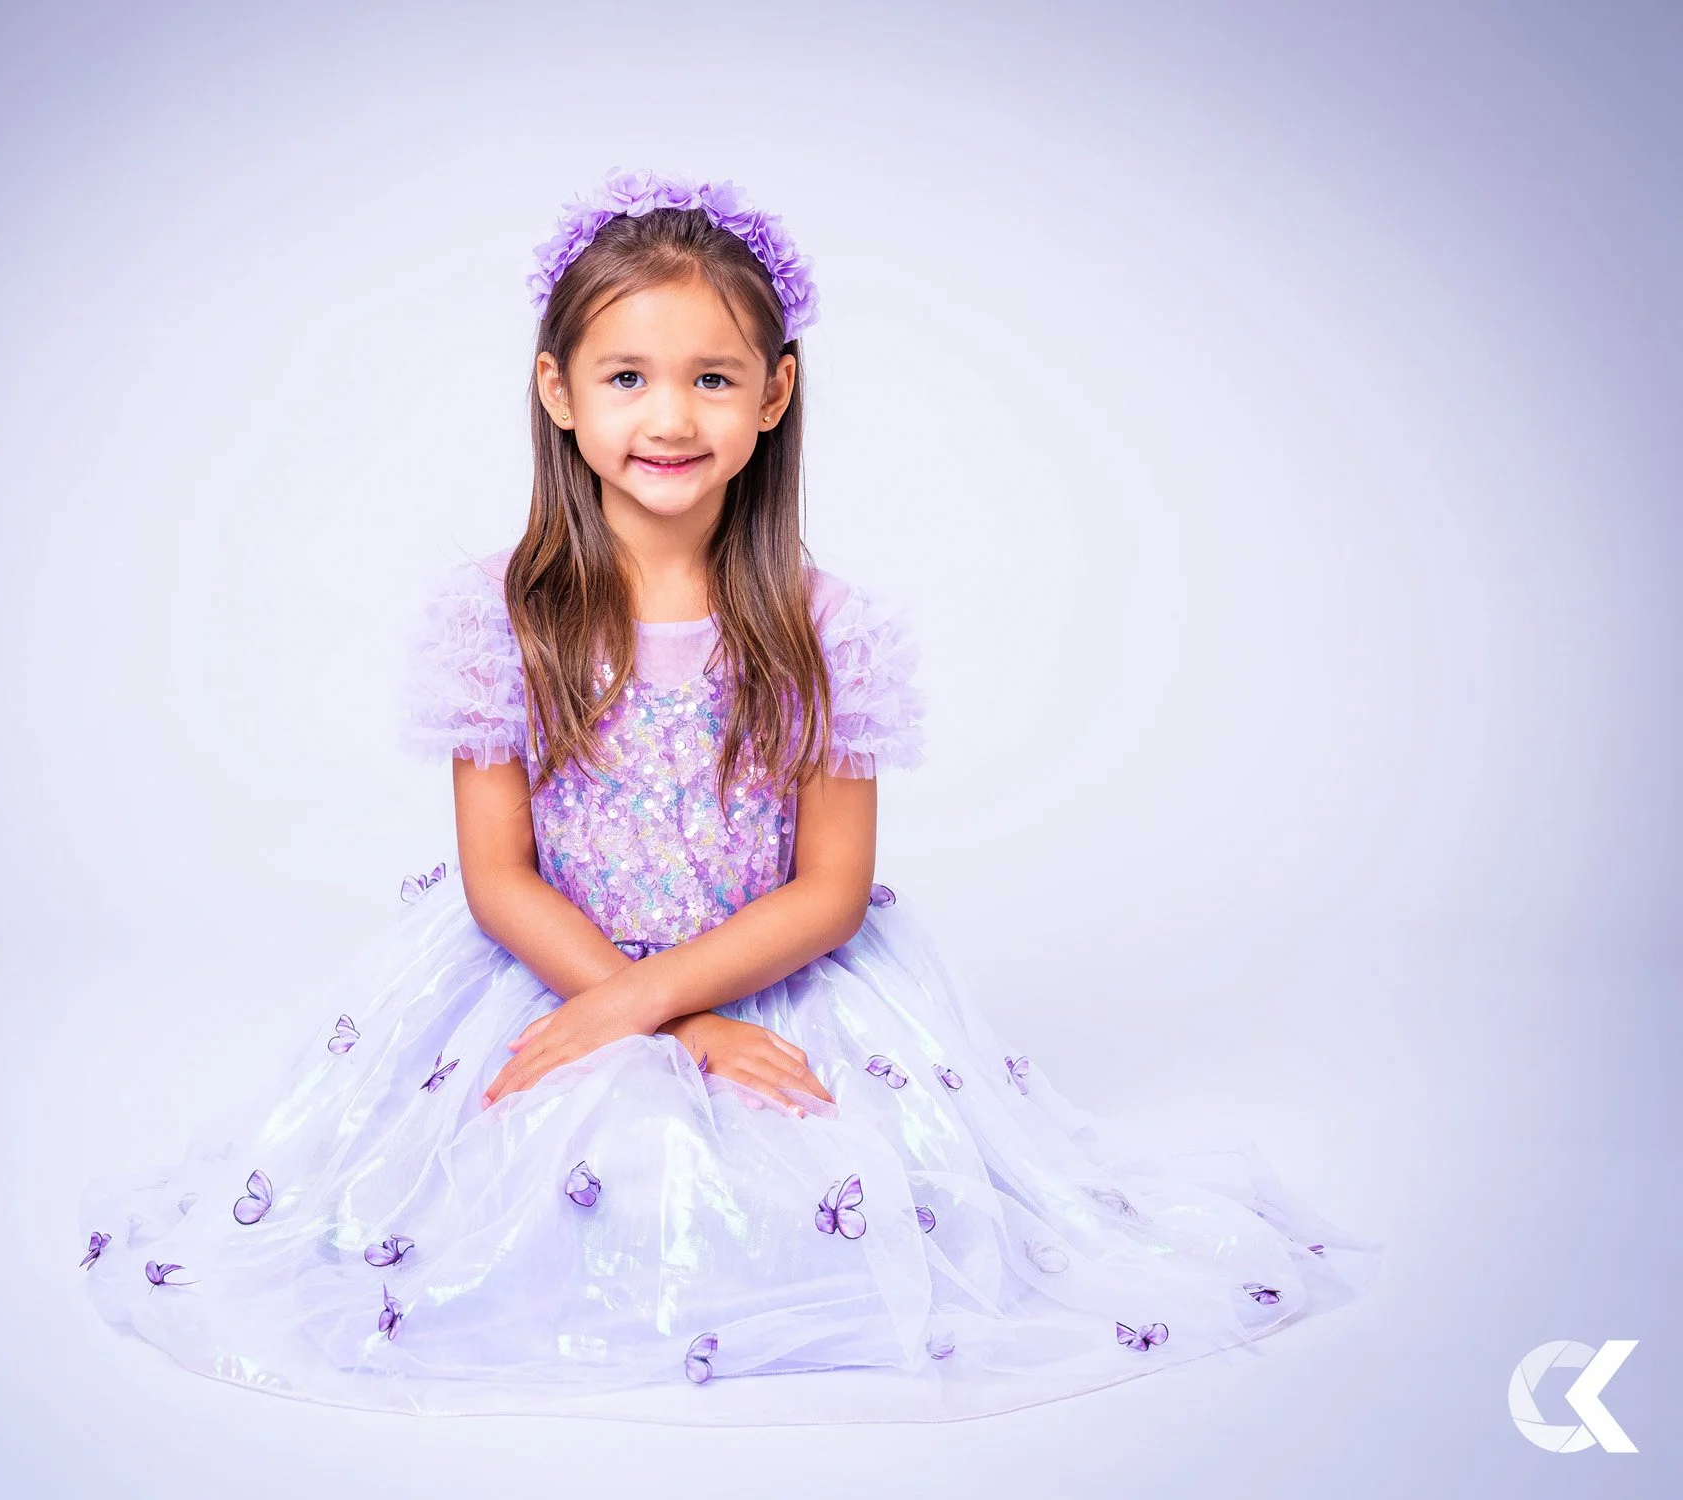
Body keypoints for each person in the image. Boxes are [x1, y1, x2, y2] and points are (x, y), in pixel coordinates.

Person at [78, 168, 1381, 1424]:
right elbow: (498, 878)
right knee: (545, 1193)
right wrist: (661, 1023)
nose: (670, 417)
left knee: (797, 1200)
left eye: (712, 378)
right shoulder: (500, 622)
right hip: (554, 966)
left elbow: (832, 888)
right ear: (559, 392)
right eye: (628, 377)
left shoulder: (826, 630)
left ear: (774, 396)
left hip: (778, 969)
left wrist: (692, 1004)